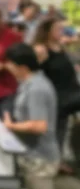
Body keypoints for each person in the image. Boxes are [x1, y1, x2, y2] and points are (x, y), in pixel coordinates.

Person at [3, 43, 59, 189]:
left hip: (40, 159)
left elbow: (39, 126)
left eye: (11, 64)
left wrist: (11, 126)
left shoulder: (37, 89)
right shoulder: (28, 84)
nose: (8, 67)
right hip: (30, 156)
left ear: (23, 67)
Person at [32, 17, 80, 174]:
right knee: (55, 130)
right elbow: (34, 71)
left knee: (63, 128)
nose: (61, 32)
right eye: (58, 29)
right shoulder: (42, 49)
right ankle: (53, 162)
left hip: (71, 93)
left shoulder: (60, 47)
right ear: (48, 31)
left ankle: (57, 160)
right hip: (56, 96)